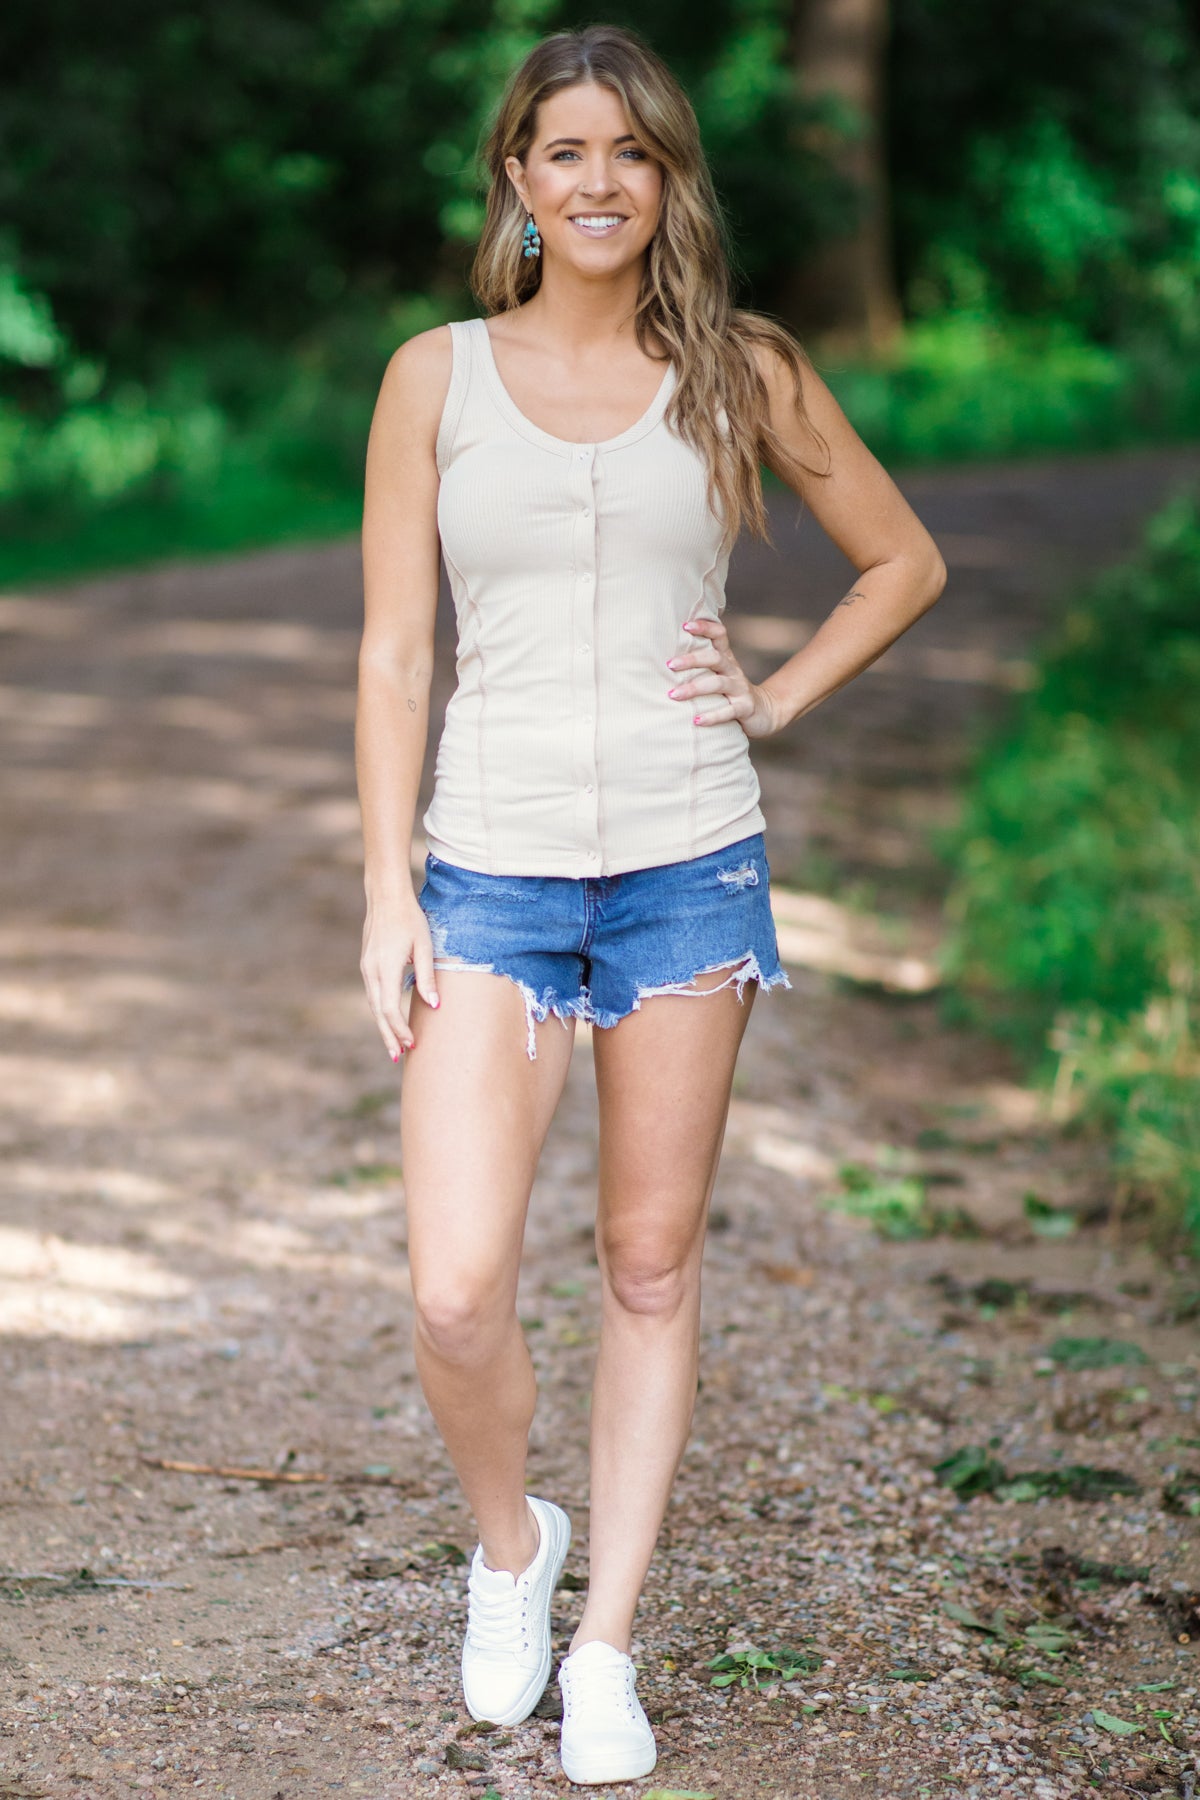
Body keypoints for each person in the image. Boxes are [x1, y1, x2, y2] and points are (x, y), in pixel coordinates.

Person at [356, 22, 945, 1786]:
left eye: (633, 151)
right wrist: (388, 885)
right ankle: (512, 1547)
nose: (599, 180)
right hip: (492, 875)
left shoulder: (740, 370)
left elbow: (904, 559)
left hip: (692, 868)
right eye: (565, 151)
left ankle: (606, 1645)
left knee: (648, 1261)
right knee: (458, 1288)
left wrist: (774, 698)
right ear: (518, 184)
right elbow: (394, 651)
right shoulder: (433, 377)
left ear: (669, 178)